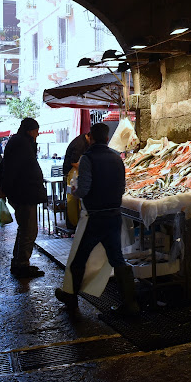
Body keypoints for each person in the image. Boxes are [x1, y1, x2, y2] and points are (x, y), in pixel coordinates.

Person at [55, 122, 139, 316]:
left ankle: (72, 298)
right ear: (107, 139)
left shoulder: (88, 158)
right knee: (117, 259)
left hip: (96, 217)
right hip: (114, 215)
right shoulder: (117, 158)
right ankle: (131, 304)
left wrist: (75, 191)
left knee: (79, 259)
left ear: (91, 138)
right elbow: (122, 187)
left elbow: (84, 189)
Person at [0, 118, 46, 278]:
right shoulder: (22, 144)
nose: (37, 134)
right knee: (29, 230)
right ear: (29, 130)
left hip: (22, 192)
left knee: (24, 228)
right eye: (36, 130)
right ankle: (22, 265)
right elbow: (17, 169)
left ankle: (19, 262)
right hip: (24, 193)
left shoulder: (18, 142)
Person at [62, 129, 92, 227]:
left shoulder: (84, 140)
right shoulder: (80, 144)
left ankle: (78, 224)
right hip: (71, 172)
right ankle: (74, 224)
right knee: (72, 200)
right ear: (90, 137)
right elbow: (73, 162)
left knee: (77, 200)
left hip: (76, 173)